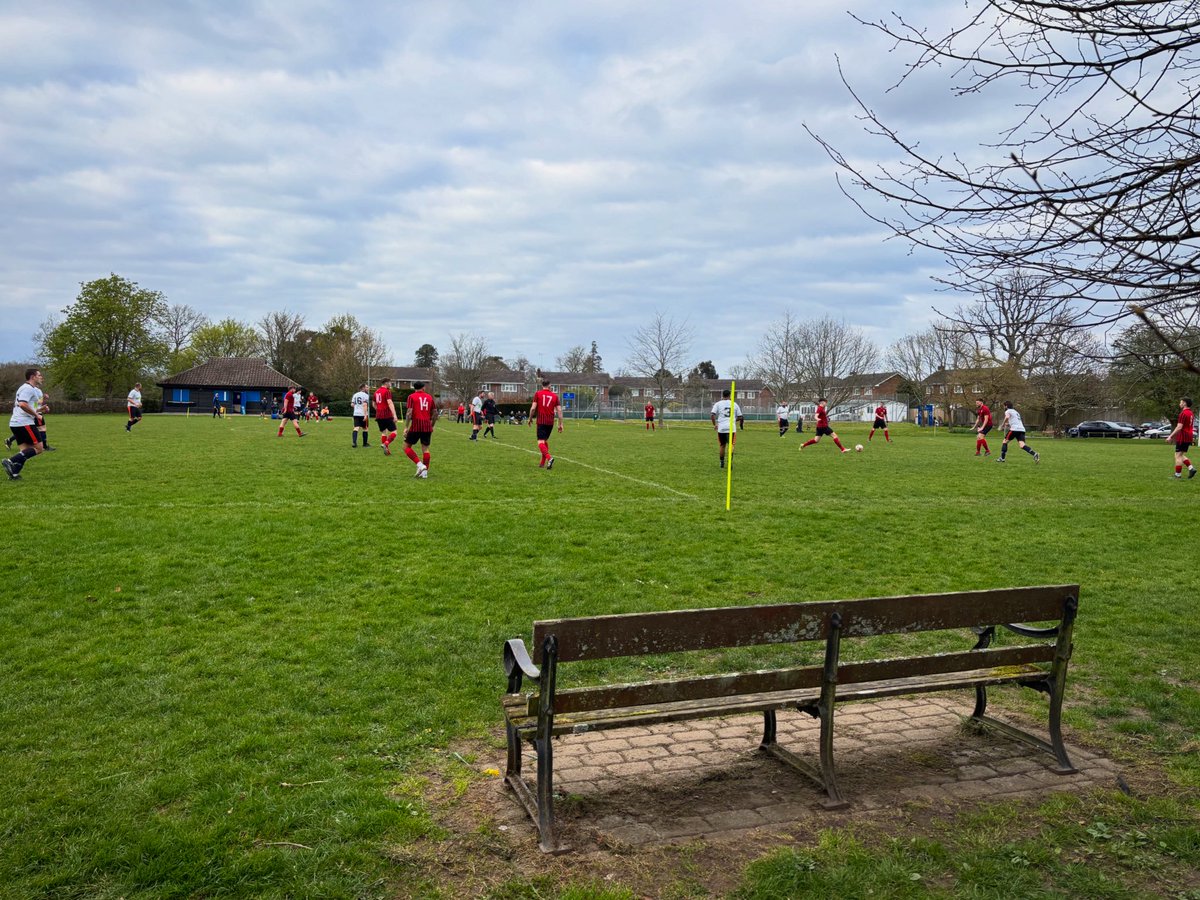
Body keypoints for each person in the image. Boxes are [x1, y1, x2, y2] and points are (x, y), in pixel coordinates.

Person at [3, 368, 46, 481]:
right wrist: (36, 415)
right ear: (33, 377)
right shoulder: (28, 389)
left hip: (16, 423)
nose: (41, 377)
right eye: (39, 375)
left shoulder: (26, 388)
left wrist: (41, 409)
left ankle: (14, 474)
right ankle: (10, 461)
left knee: (25, 451)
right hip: (24, 423)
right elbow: (22, 404)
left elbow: (26, 406)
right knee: (39, 448)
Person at [402, 380, 437, 477]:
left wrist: (406, 427)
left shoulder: (411, 397)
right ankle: (425, 473)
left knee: (406, 447)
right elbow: (435, 413)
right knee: (425, 449)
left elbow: (409, 413)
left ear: (415, 388)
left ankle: (420, 465)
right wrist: (432, 425)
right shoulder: (429, 397)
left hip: (416, 425)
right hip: (427, 426)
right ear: (423, 388)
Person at [528, 378, 563, 468]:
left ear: (542, 385)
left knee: (540, 442)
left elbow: (533, 408)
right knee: (544, 441)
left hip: (541, 421)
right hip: (550, 422)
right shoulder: (555, 396)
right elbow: (559, 411)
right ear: (550, 386)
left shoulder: (538, 394)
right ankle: (542, 463)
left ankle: (549, 458)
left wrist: (530, 418)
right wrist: (560, 424)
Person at [711, 388, 744, 468]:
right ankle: (729, 462)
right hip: (731, 428)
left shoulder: (718, 404)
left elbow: (712, 415)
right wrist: (734, 420)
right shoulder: (734, 404)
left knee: (722, 445)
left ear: (723, 395)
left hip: (721, 428)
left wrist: (715, 424)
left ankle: (722, 462)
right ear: (730, 395)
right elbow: (740, 417)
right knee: (731, 445)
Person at [1166, 396, 1197, 480]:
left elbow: (1179, 427)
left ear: (1184, 403)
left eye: (1181, 402)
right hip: (1188, 436)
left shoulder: (1183, 413)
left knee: (1178, 456)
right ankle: (1191, 469)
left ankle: (1177, 475)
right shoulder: (1190, 413)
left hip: (1183, 436)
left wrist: (1170, 436)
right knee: (1180, 454)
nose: (1179, 404)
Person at [373, 378, 399, 454]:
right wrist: (394, 415)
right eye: (390, 383)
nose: (390, 384)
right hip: (387, 415)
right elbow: (390, 403)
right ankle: (385, 443)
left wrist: (379, 410)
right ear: (386, 383)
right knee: (394, 432)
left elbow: (373, 404)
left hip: (379, 416)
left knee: (384, 432)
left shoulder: (376, 392)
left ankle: (386, 451)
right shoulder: (387, 391)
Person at [350, 383, 371, 448]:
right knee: (365, 428)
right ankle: (365, 444)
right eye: (366, 387)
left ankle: (354, 442)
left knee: (356, 428)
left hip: (356, 413)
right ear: (363, 388)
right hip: (362, 414)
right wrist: (365, 415)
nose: (368, 388)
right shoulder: (366, 395)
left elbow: (352, 404)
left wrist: (357, 407)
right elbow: (365, 405)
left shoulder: (355, 394)